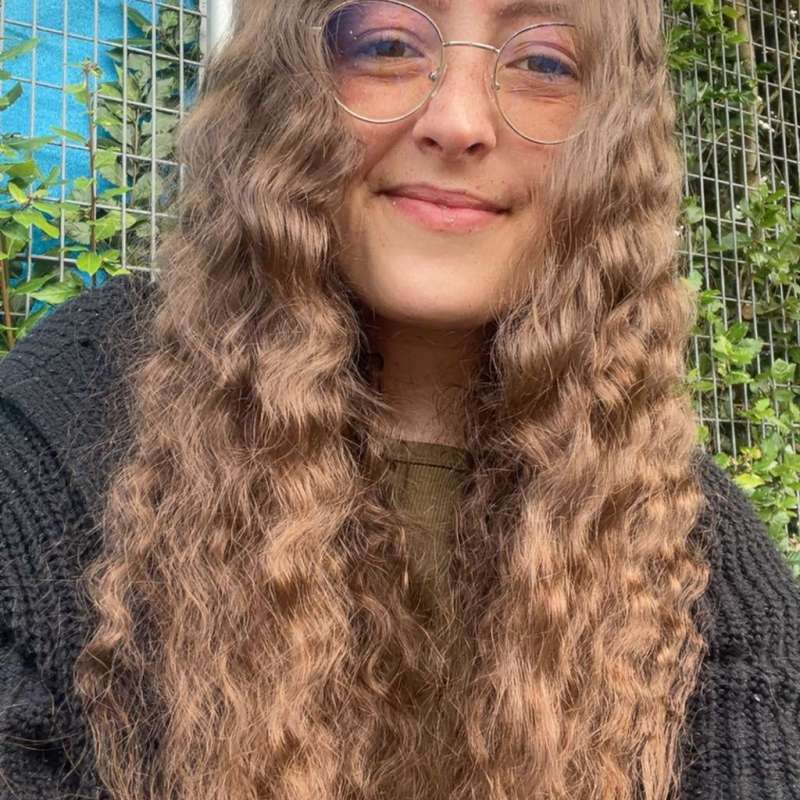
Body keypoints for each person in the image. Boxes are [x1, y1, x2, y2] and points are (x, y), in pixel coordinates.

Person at [1, 1, 798, 799]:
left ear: (611, 138)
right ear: (284, 86)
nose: (459, 122)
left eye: (544, 61)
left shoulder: (678, 533)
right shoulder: (60, 440)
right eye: (385, 43)